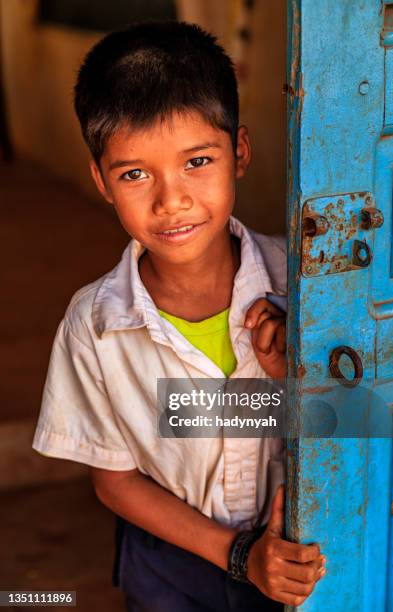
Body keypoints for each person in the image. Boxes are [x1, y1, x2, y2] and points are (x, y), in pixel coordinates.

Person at [32, 21, 325, 611]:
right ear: (102, 182)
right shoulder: (95, 324)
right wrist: (240, 556)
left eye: (196, 161)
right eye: (135, 173)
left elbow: (362, 418)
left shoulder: (309, 286)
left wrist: (289, 379)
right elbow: (113, 478)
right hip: (167, 565)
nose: (172, 200)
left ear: (238, 152)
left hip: (300, 553)